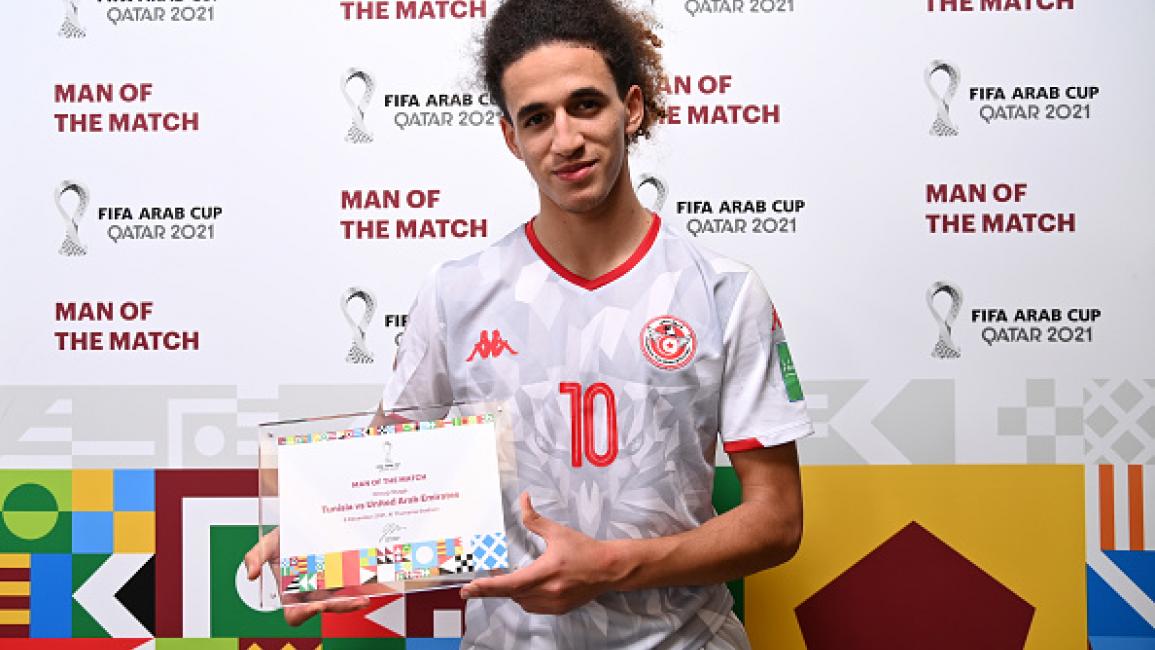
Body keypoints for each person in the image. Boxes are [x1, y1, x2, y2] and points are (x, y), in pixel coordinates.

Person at [246, 0, 813, 646]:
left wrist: (610, 568)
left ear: (631, 108)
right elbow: (396, 476)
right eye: (536, 119)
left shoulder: (723, 293)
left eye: (585, 105)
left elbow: (776, 520)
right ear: (510, 137)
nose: (564, 140)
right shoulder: (455, 295)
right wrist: (332, 532)